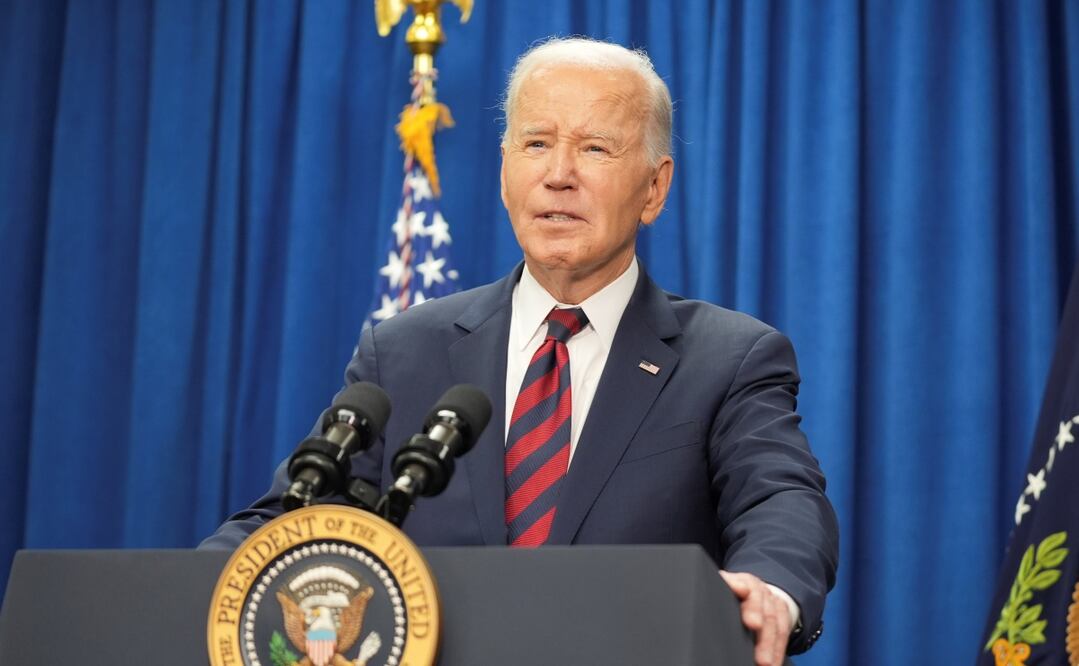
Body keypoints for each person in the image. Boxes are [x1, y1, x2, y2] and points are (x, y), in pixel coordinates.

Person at [203, 37, 839, 665]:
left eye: (595, 148)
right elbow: (291, 520)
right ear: (506, 172)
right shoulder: (403, 351)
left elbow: (779, 499)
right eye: (536, 144)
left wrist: (774, 590)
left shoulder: (729, 359)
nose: (559, 175)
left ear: (654, 188)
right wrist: (185, 590)